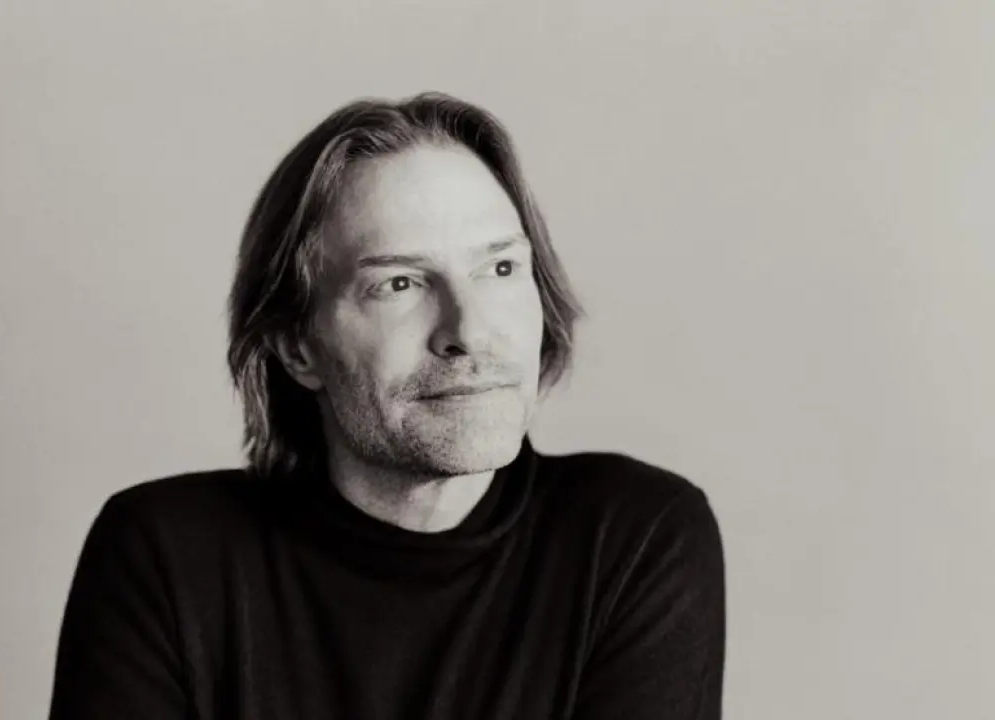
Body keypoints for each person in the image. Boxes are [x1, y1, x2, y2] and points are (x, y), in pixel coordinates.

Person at [48, 92, 726, 720]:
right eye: (399, 283)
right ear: (297, 348)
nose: (469, 331)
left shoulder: (633, 536)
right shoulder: (164, 556)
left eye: (499, 269)